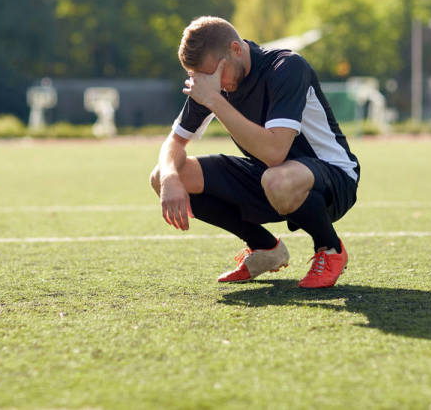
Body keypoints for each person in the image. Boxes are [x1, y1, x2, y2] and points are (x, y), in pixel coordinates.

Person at [149, 16, 359, 288]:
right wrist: (168, 179)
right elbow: (174, 143)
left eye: (216, 75)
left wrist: (214, 100)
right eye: (203, 78)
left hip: (332, 177)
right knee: (164, 174)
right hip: (269, 177)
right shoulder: (213, 80)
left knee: (277, 179)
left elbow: (275, 152)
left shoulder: (287, 67)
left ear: (236, 49)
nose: (216, 84)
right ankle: (264, 248)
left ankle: (330, 248)